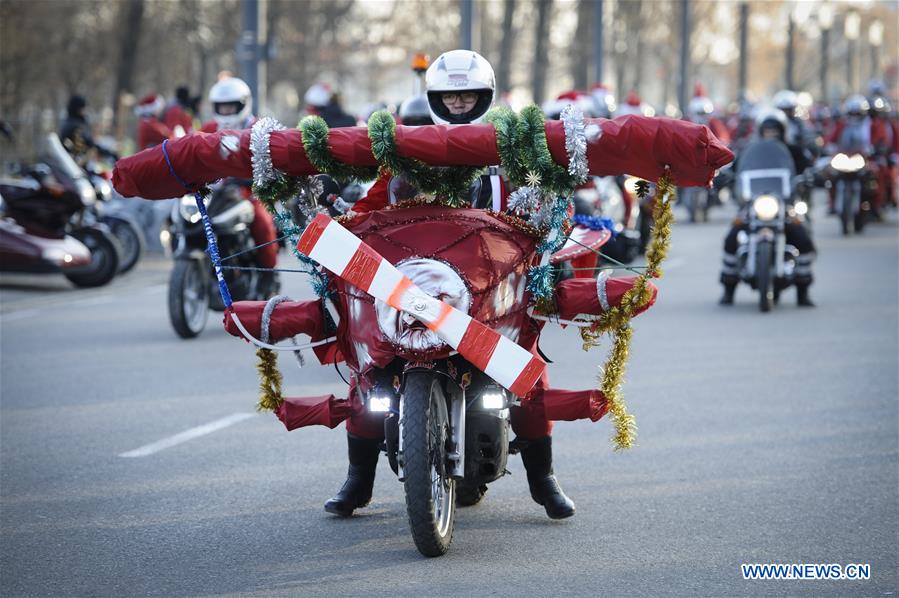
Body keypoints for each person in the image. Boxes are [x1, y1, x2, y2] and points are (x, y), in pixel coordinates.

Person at [325, 49, 577, 521]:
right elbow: (368, 212)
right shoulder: (406, 158)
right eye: (450, 96)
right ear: (434, 99)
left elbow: (549, 208)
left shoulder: (515, 153)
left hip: (492, 297)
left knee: (529, 376)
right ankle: (358, 481)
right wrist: (339, 221)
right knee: (369, 378)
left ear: (486, 96)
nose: (459, 104)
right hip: (416, 293)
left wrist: (550, 252)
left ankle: (543, 480)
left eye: (467, 96)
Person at [719, 109, 816, 307]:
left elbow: (808, 167)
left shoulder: (793, 150)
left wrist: (811, 176)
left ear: (783, 130)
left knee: (803, 238)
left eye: (775, 130)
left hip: (784, 204)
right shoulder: (749, 150)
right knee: (731, 238)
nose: (771, 133)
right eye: (767, 129)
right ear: (760, 130)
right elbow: (735, 168)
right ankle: (728, 289)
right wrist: (725, 176)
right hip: (754, 204)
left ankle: (803, 291)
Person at [200, 77, 280, 295]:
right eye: (221, 107)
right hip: (213, 194)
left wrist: (259, 178)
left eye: (231, 107)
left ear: (243, 104)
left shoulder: (258, 128)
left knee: (263, 223)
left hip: (249, 192)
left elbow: (273, 159)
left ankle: (268, 275)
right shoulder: (208, 128)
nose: (226, 112)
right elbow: (191, 154)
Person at [59, 95, 118, 165]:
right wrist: (110, 154)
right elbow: (89, 143)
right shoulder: (74, 125)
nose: (85, 111)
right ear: (78, 108)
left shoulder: (70, 122)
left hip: (72, 164)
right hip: (72, 165)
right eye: (83, 108)